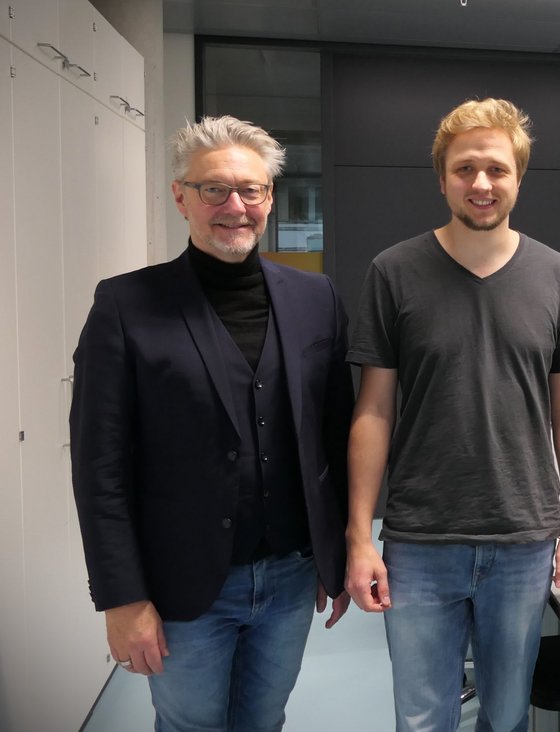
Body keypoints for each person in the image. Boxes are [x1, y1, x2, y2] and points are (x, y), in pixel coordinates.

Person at [70, 115, 355, 731]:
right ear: (182, 196)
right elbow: (100, 468)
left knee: (264, 720)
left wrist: (335, 554)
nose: (235, 206)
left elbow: (333, 438)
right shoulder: (126, 305)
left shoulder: (316, 300)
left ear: (270, 198)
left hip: (289, 575)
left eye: (250, 190)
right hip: (181, 585)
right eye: (213, 190)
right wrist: (122, 597)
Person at [344, 97, 560, 732]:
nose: (481, 184)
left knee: (508, 717)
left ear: (518, 176)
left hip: (523, 539)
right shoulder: (394, 273)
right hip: (421, 539)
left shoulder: (555, 275)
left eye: (496, 170)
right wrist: (358, 538)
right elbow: (373, 411)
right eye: (464, 170)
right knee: (424, 719)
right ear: (442, 176)